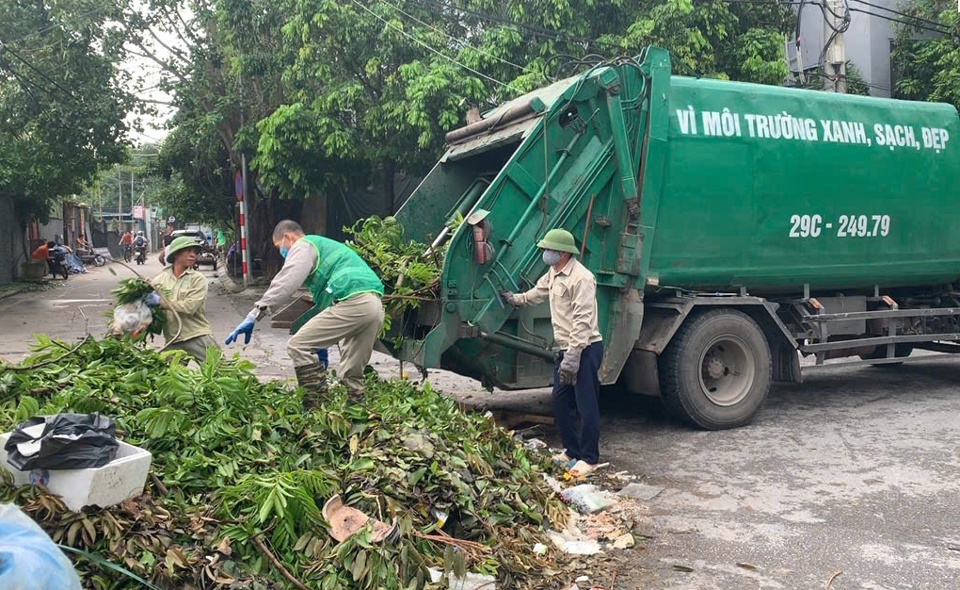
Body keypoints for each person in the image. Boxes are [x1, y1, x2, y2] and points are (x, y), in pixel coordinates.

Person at [224, 220, 385, 406]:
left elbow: (287, 282)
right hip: (374, 306)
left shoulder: (304, 245)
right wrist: (319, 344)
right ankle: (359, 415)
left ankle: (317, 409)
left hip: (353, 303)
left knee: (298, 346)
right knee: (351, 372)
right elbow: (327, 304)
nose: (282, 252)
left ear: (287, 237)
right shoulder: (329, 249)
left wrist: (255, 313)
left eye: (279, 247)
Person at [500, 229, 604, 477]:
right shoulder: (555, 272)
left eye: (550, 249)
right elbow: (539, 292)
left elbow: (583, 320)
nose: (546, 253)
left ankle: (590, 459)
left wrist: (574, 354)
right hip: (565, 348)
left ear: (563, 253)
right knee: (559, 401)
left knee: (585, 404)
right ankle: (571, 451)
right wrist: (516, 299)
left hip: (584, 348)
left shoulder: (582, 279)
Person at [148, 236, 220, 361]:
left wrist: (160, 302)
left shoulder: (197, 279)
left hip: (197, 336)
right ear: (176, 254)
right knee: (168, 378)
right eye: (188, 251)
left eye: (195, 252)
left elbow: (190, 307)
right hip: (173, 339)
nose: (193, 255)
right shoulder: (160, 280)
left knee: (222, 372)